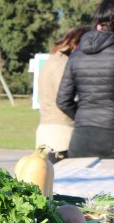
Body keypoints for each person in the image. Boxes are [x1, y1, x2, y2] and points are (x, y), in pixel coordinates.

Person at [56, 0, 114, 159]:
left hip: (82, 136)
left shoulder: (76, 55)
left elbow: (63, 100)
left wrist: (83, 117)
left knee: (79, 184)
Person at [36, 27, 87, 163]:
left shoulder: (53, 60)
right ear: (77, 44)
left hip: (48, 132)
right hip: (60, 135)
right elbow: (64, 98)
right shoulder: (62, 64)